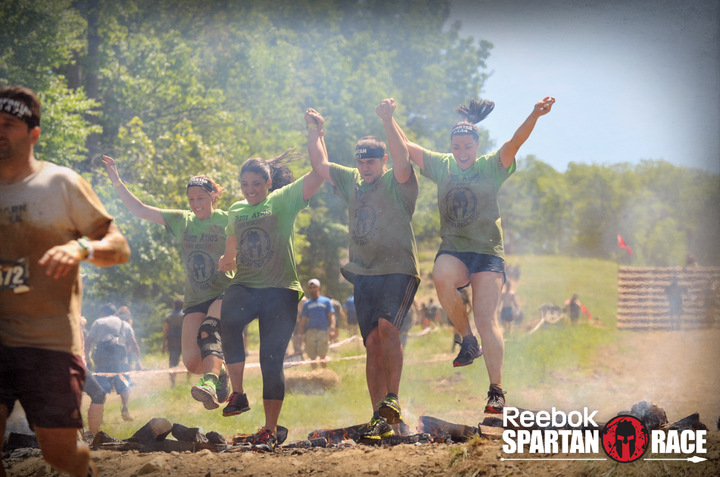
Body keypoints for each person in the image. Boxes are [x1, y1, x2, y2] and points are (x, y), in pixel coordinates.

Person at [390, 95, 555, 414]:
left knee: (486, 318)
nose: (462, 153)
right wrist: (388, 118)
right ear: (451, 148)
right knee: (440, 276)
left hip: (487, 252)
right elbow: (406, 146)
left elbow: (515, 141)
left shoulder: (492, 166)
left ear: (476, 146)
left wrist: (534, 114)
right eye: (457, 148)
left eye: (467, 147)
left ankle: (496, 391)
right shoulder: (442, 165)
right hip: (454, 248)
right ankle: (467, 340)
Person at [0, 85, 130, 477]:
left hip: (50, 343)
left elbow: (118, 246)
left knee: (60, 455)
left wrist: (81, 249)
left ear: (33, 134)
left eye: (8, 124)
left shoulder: (61, 184)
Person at [304, 99, 420, 442]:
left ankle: (393, 400)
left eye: (371, 161)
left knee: (387, 329)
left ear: (381, 161)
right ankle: (378, 418)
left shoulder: (399, 182)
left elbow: (402, 157)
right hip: (364, 273)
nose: (366, 167)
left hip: (398, 269)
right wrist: (315, 130)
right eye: (362, 162)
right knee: (371, 343)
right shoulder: (352, 181)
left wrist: (388, 119)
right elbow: (320, 164)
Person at [102, 155, 231, 410]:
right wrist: (116, 180)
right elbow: (139, 210)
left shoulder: (228, 220)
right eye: (191, 199)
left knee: (209, 329)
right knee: (192, 363)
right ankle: (220, 371)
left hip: (225, 293)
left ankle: (209, 382)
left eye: (201, 198)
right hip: (195, 298)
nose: (196, 204)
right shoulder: (181, 220)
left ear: (214, 196)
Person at [217, 148, 324, 452]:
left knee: (271, 360)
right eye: (245, 184)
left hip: (280, 290)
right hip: (246, 285)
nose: (250, 190)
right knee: (229, 319)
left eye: (256, 184)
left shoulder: (282, 200)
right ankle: (237, 394)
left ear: (269, 182)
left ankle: (269, 429)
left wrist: (316, 135)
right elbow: (231, 247)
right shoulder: (236, 210)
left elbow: (318, 172)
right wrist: (227, 260)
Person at [85, 303, 141, 422]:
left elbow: (89, 341)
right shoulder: (124, 323)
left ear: (103, 312)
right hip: (120, 360)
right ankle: (125, 408)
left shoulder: (98, 322)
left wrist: (87, 357)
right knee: (124, 385)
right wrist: (138, 361)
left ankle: (100, 415)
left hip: (102, 360)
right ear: (114, 313)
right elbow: (133, 343)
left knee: (101, 388)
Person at [298, 279, 336, 369]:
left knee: (322, 355)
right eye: (310, 288)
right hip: (310, 331)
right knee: (312, 356)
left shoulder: (326, 301)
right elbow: (303, 319)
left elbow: (331, 316)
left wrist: (332, 329)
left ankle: (324, 374)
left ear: (319, 288)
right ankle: (315, 375)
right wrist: (300, 334)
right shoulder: (307, 303)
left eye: (314, 287)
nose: (312, 289)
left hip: (323, 331)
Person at [163, 298, 185, 387]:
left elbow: (165, 331)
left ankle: (173, 382)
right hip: (184, 340)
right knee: (188, 359)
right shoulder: (185, 315)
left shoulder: (169, 317)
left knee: (173, 361)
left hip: (172, 341)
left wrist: (164, 345)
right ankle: (188, 380)